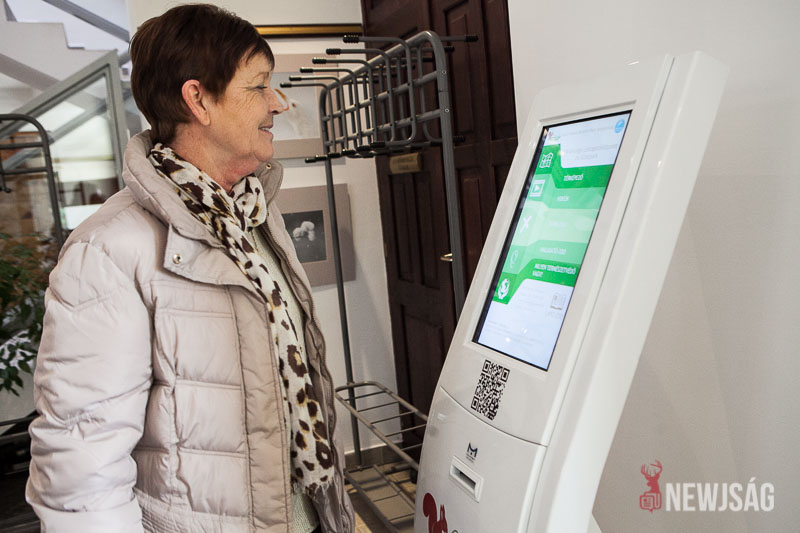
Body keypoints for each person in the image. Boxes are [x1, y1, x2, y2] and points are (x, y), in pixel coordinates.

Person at [25, 5, 354, 532]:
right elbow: (81, 465)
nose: (277, 103)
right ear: (198, 99)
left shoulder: (254, 215)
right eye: (259, 86)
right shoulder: (107, 252)